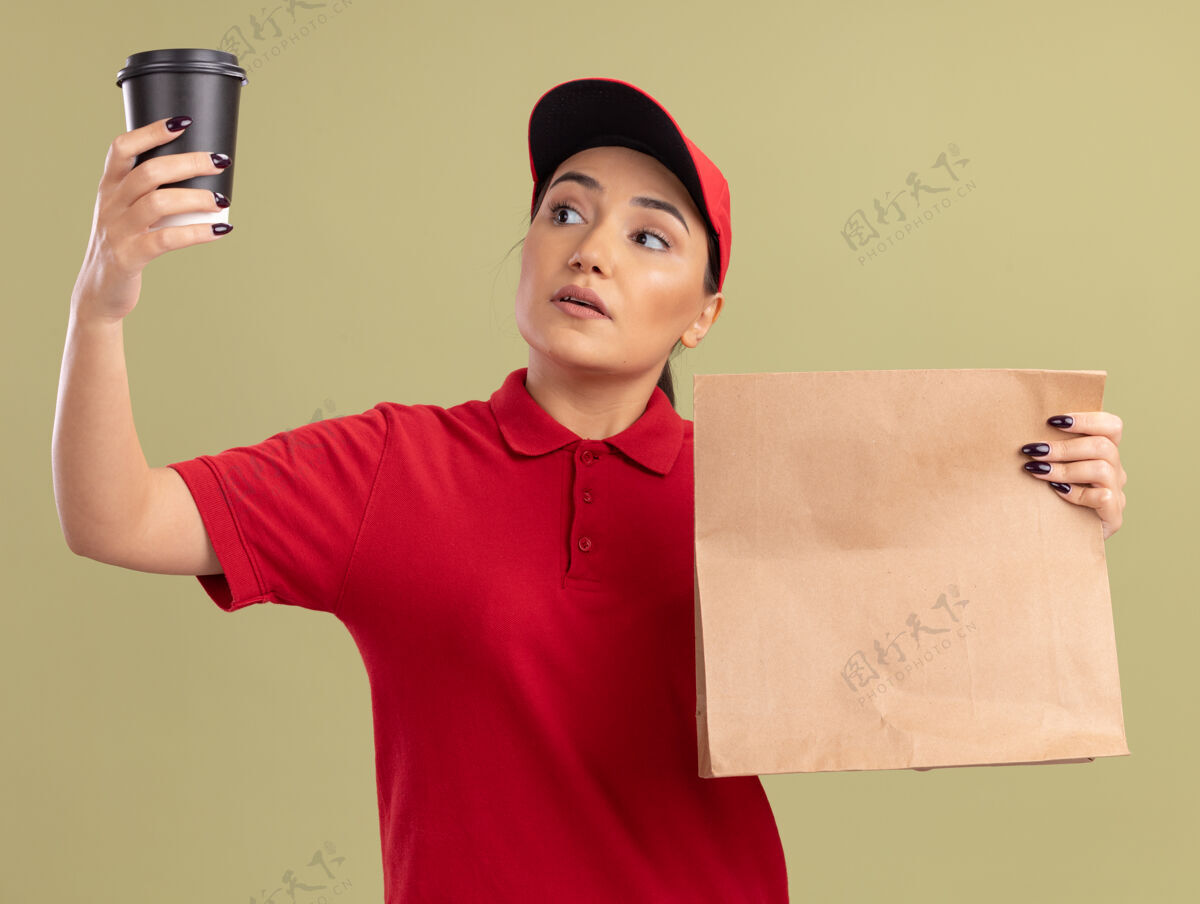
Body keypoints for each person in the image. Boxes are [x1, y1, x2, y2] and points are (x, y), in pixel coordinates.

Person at [52, 77, 1128, 903]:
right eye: (566, 212)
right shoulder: (389, 469)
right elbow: (114, 515)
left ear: (702, 312)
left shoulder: (766, 477)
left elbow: (934, 697)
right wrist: (102, 301)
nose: (593, 249)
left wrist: (1053, 521)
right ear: (527, 254)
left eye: (650, 234)